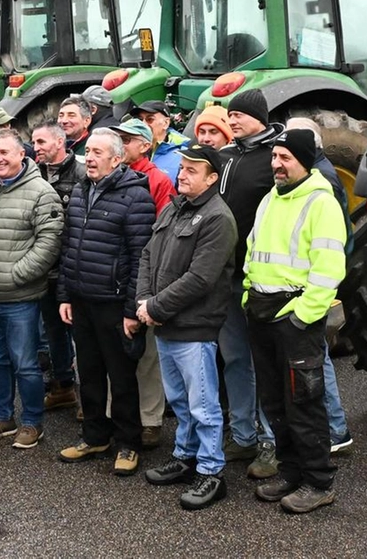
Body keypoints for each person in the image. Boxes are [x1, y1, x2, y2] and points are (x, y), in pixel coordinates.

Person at [243, 129, 347, 514]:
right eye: (274, 157)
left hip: (295, 320)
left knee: (304, 403)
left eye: (285, 158)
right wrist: (247, 294)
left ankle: (318, 482)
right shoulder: (270, 199)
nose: (276, 164)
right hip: (261, 313)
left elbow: (329, 268)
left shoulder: (321, 203)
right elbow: (254, 250)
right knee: (274, 402)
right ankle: (291, 472)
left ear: (304, 160)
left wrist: (303, 317)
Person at [134, 144, 238, 510]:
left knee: (203, 405)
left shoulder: (217, 218)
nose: (183, 174)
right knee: (179, 401)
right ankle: (186, 455)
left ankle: (211, 472)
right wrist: (144, 301)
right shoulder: (175, 208)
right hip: (164, 323)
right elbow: (148, 254)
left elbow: (201, 278)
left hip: (194, 328)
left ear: (212, 178)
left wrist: (156, 307)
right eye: (183, 167)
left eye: (193, 170)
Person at [57, 128, 156, 476]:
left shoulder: (135, 197)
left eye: (98, 152)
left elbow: (141, 257)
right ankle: (95, 435)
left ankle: (129, 443)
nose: (91, 158)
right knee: (90, 372)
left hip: (115, 304)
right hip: (82, 300)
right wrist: (66, 294)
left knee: (122, 376)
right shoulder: (82, 191)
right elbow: (69, 246)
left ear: (117, 159)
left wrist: (132, 310)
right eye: (88, 152)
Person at [0, 129, 64, 450]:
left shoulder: (41, 192)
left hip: (19, 296)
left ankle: (33, 422)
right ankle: (3, 416)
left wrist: (17, 274)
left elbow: (49, 243)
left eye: (5, 153)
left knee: (25, 363)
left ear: (22, 154)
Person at [215, 88, 284, 480]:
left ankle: (271, 440)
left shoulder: (274, 159)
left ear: (259, 116)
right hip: (224, 276)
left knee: (265, 364)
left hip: (258, 278)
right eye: (230, 115)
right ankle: (242, 435)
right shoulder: (226, 156)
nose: (233, 120)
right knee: (235, 359)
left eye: (239, 114)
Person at [283, 117, 354, 453]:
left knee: (317, 358)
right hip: (305, 285)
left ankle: (336, 431)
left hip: (310, 286)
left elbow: (332, 242)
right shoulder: (314, 175)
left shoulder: (322, 180)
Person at [109, 118, 174, 449]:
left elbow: (162, 231)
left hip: (146, 274)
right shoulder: (111, 177)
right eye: (118, 139)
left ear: (144, 145)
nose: (121, 145)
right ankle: (114, 414)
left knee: (147, 353)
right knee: (114, 351)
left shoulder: (158, 180)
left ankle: (150, 420)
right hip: (113, 276)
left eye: (127, 140)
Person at [32, 121, 83, 413]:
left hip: (71, 267)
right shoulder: (32, 173)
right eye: (34, 143)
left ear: (60, 142)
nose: (35, 148)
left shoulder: (80, 174)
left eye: (41, 142)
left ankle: (86, 396)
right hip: (43, 270)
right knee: (52, 332)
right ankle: (63, 385)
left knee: (79, 334)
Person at [111, 118, 176, 215]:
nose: (118, 145)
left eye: (125, 140)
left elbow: (164, 222)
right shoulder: (107, 171)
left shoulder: (159, 181)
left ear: (145, 146)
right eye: (116, 139)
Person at [130, 100, 187, 180]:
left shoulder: (182, 155)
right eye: (140, 120)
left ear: (166, 123)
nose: (143, 124)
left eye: (150, 119)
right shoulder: (129, 149)